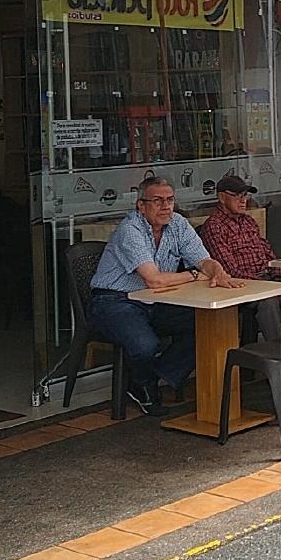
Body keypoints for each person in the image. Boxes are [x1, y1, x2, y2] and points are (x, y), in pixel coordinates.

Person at [88, 176, 242, 416]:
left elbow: (204, 260)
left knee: (208, 323)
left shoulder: (178, 223)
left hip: (156, 299)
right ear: (141, 205)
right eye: (157, 201)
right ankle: (144, 386)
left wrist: (217, 272)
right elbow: (154, 279)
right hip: (114, 300)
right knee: (145, 345)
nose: (165, 206)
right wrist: (194, 275)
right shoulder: (130, 230)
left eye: (170, 200)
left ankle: (154, 377)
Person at [200, 173, 281, 342]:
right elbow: (229, 270)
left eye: (245, 195)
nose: (243, 200)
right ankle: (279, 351)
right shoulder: (214, 226)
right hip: (240, 285)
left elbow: (267, 251)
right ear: (222, 198)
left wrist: (278, 276)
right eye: (237, 196)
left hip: (265, 279)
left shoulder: (249, 221)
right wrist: (266, 285)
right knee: (268, 301)